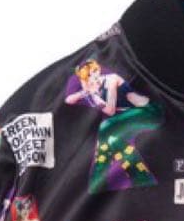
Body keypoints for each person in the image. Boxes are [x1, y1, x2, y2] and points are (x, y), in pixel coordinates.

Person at [65, 59, 164, 193]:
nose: (93, 77)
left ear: (98, 70)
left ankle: (97, 184)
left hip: (148, 112)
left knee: (105, 127)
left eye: (94, 72)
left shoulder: (112, 79)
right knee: (112, 141)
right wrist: (84, 91)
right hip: (130, 118)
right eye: (88, 76)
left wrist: (94, 96)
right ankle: (141, 178)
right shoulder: (94, 88)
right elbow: (69, 100)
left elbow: (110, 110)